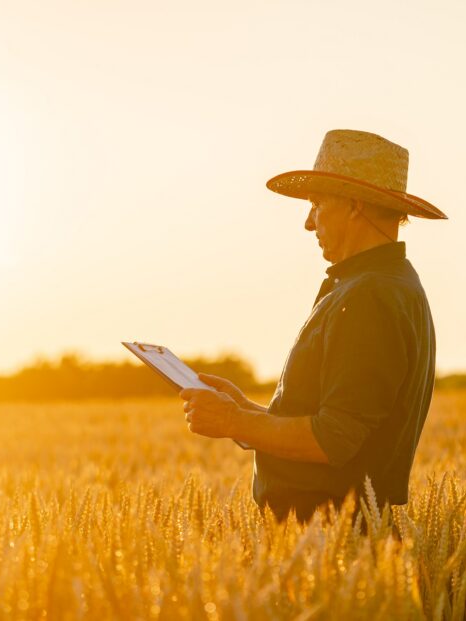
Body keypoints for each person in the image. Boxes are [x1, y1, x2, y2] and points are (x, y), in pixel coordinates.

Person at [179, 129, 448, 523]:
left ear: (355, 206)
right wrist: (245, 412)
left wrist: (235, 421)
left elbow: (334, 439)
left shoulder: (370, 296)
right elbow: (341, 420)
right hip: (331, 540)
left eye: (317, 204)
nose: (308, 222)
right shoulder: (384, 285)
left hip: (330, 542)